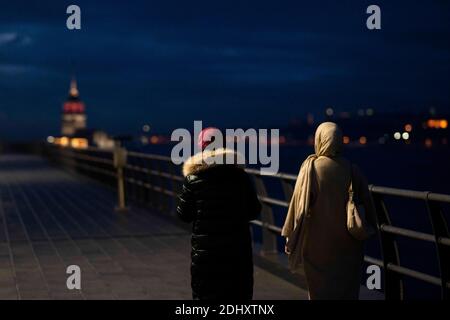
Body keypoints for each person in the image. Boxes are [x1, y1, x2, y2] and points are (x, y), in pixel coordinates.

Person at [282, 122, 377, 300]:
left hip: (317, 245)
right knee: (346, 290)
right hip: (348, 244)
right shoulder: (352, 169)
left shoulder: (311, 168)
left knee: (319, 292)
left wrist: (290, 235)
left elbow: (298, 206)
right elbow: (367, 204)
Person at [177, 127, 261, 300]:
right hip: (237, 252)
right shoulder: (240, 176)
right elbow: (255, 211)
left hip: (206, 254)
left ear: (202, 147)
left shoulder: (193, 179)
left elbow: (184, 215)